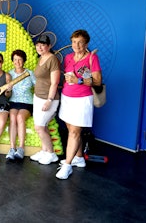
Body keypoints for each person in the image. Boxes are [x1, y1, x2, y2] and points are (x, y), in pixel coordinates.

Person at [56, 29, 102, 179]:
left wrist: (79, 80)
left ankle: (67, 165)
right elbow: (67, 76)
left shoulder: (91, 59)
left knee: (74, 132)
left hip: (82, 100)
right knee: (71, 128)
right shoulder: (68, 57)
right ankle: (79, 157)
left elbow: (97, 81)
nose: (77, 45)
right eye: (74, 42)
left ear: (86, 43)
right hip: (67, 98)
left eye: (80, 42)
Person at [30, 34, 61, 165]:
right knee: (43, 126)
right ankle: (45, 150)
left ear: (49, 46)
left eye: (43, 45)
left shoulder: (52, 59)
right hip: (38, 97)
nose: (40, 47)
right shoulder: (41, 58)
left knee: (39, 127)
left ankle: (51, 154)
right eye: (38, 45)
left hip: (48, 99)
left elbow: (55, 82)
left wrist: (49, 100)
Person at [6, 49, 36, 160]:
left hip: (27, 102)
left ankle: (21, 148)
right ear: (12, 61)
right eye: (15, 60)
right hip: (13, 102)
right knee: (13, 117)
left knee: (20, 117)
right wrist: (8, 90)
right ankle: (12, 148)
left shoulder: (30, 73)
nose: (17, 62)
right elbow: (7, 94)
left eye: (20, 59)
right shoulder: (9, 74)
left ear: (24, 61)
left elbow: (37, 87)